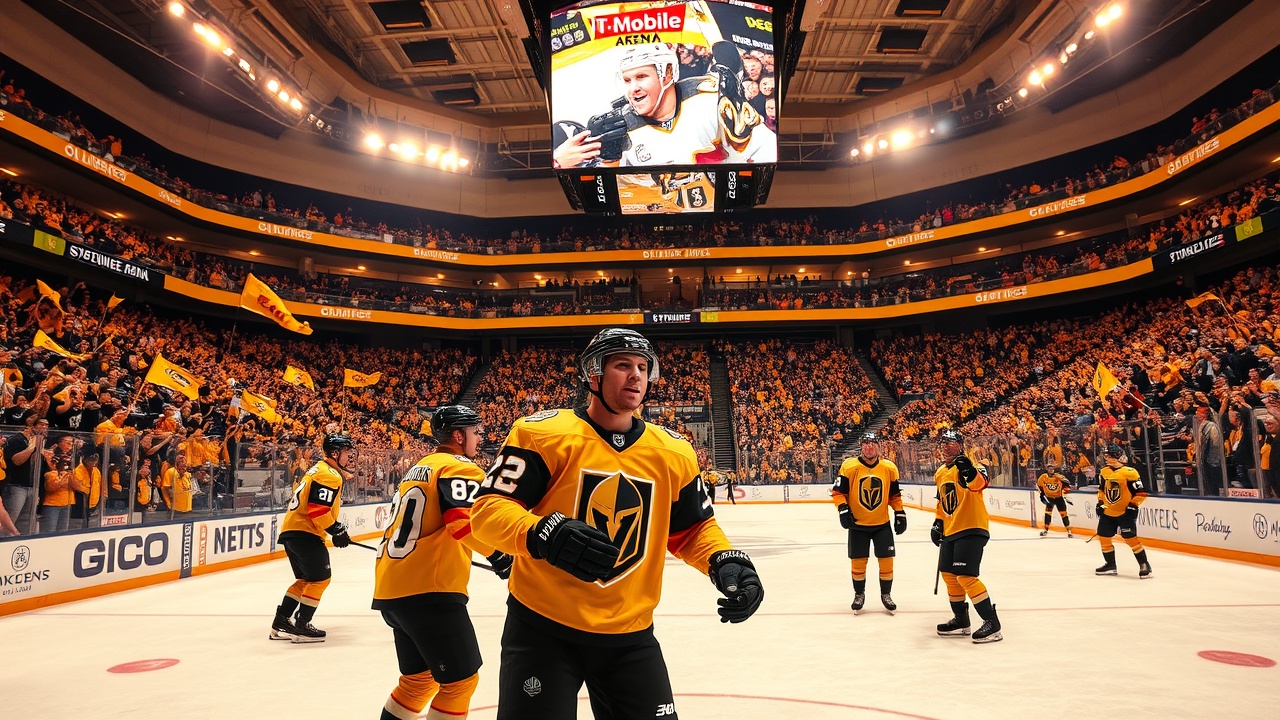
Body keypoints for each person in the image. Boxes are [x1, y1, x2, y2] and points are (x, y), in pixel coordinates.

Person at [471, 328, 764, 719]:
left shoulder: (673, 451)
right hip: (542, 627)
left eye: (643, 367)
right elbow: (487, 512)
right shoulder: (541, 434)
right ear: (593, 374)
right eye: (622, 365)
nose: (636, 375)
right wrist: (542, 532)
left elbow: (693, 529)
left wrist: (723, 560)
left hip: (630, 633)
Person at [372, 405, 514, 720]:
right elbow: (462, 523)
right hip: (429, 590)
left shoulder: (418, 468)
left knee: (418, 682)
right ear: (458, 436)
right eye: (475, 432)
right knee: (460, 682)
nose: (480, 438)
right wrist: (499, 555)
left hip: (392, 587)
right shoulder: (460, 467)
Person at [553, 42, 776, 169]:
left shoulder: (712, 98)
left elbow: (766, 147)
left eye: (641, 77)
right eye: (627, 80)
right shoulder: (620, 129)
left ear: (668, 73)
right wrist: (560, 162)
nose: (633, 89)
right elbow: (612, 192)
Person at [270, 434, 356, 643]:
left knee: (305, 580)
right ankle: (302, 625)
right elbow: (318, 510)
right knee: (319, 579)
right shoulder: (330, 475)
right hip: (306, 532)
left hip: (293, 531)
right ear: (335, 453)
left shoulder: (317, 469)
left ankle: (281, 621)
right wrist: (337, 530)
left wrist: (335, 529)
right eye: (347, 452)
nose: (350, 457)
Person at [931, 429, 1002, 644]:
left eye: (951, 442)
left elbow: (979, 484)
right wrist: (938, 522)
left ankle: (992, 623)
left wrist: (968, 470)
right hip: (951, 529)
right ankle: (961, 620)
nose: (946, 446)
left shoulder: (974, 465)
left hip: (971, 527)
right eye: (944, 443)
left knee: (965, 576)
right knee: (948, 575)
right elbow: (943, 501)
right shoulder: (940, 472)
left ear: (961, 445)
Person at [831, 431, 906, 614]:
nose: (869, 447)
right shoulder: (849, 466)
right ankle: (859, 594)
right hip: (858, 525)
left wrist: (900, 512)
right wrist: (843, 508)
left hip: (882, 524)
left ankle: (886, 594)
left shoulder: (889, 468)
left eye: (873, 443)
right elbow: (838, 492)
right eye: (865, 443)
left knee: (886, 561)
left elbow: (894, 495)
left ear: (878, 446)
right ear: (861, 447)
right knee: (858, 562)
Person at [1094, 445, 1153, 579]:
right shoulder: (1104, 472)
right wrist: (1100, 502)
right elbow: (1102, 489)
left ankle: (1144, 564)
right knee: (1103, 537)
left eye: (1109, 455)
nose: (1106, 458)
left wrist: (1133, 505)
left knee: (1130, 538)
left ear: (1117, 456)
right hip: (1108, 512)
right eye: (1106, 455)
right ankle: (1110, 565)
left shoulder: (1130, 472)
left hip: (1125, 512)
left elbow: (1141, 492)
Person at [1036, 461, 1073, 537]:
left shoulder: (1058, 476)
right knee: (1047, 514)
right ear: (1047, 469)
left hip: (1059, 498)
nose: (1051, 470)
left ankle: (1069, 530)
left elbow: (1067, 483)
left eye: (1052, 468)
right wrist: (1042, 494)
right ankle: (1045, 530)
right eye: (1049, 468)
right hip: (1049, 499)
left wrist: (1062, 481)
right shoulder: (1043, 477)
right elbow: (1039, 486)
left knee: (1063, 514)